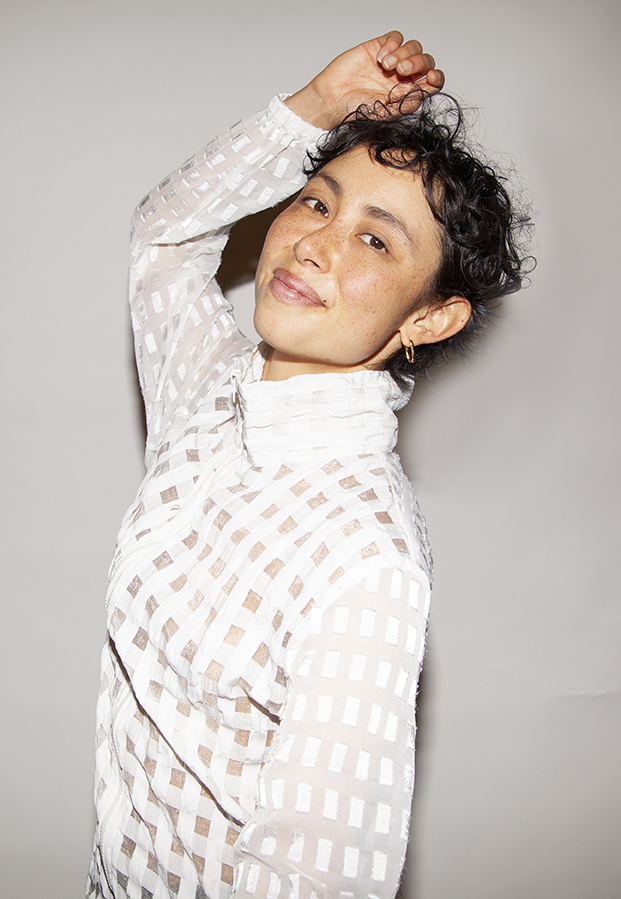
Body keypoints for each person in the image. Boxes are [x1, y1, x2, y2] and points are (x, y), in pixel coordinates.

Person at [87, 32, 530, 899]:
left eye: (376, 241)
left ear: (428, 318)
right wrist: (315, 108)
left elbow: (314, 882)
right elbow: (164, 239)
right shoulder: (213, 391)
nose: (316, 244)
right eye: (317, 203)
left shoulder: (365, 560)